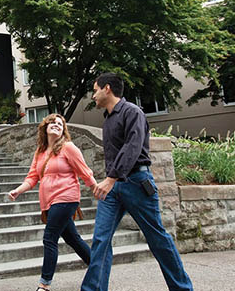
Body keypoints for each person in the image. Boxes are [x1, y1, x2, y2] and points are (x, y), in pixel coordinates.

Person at [80, 73, 193, 291]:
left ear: (108, 89)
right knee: (101, 240)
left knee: (157, 238)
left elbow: (132, 147)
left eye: (95, 90)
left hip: (137, 182)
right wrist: (111, 179)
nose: (93, 95)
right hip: (114, 187)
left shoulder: (132, 112)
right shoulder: (108, 119)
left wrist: (111, 179)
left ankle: (182, 288)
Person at [8, 113, 97, 291]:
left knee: (49, 238)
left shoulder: (68, 147)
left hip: (66, 197)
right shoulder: (40, 152)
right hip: (49, 202)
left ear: (64, 130)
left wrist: (97, 189)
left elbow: (85, 172)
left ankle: (44, 285)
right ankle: (99, 267)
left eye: (60, 124)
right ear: (45, 128)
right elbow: (32, 177)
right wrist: (18, 190)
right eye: (52, 123)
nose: (56, 125)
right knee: (73, 239)